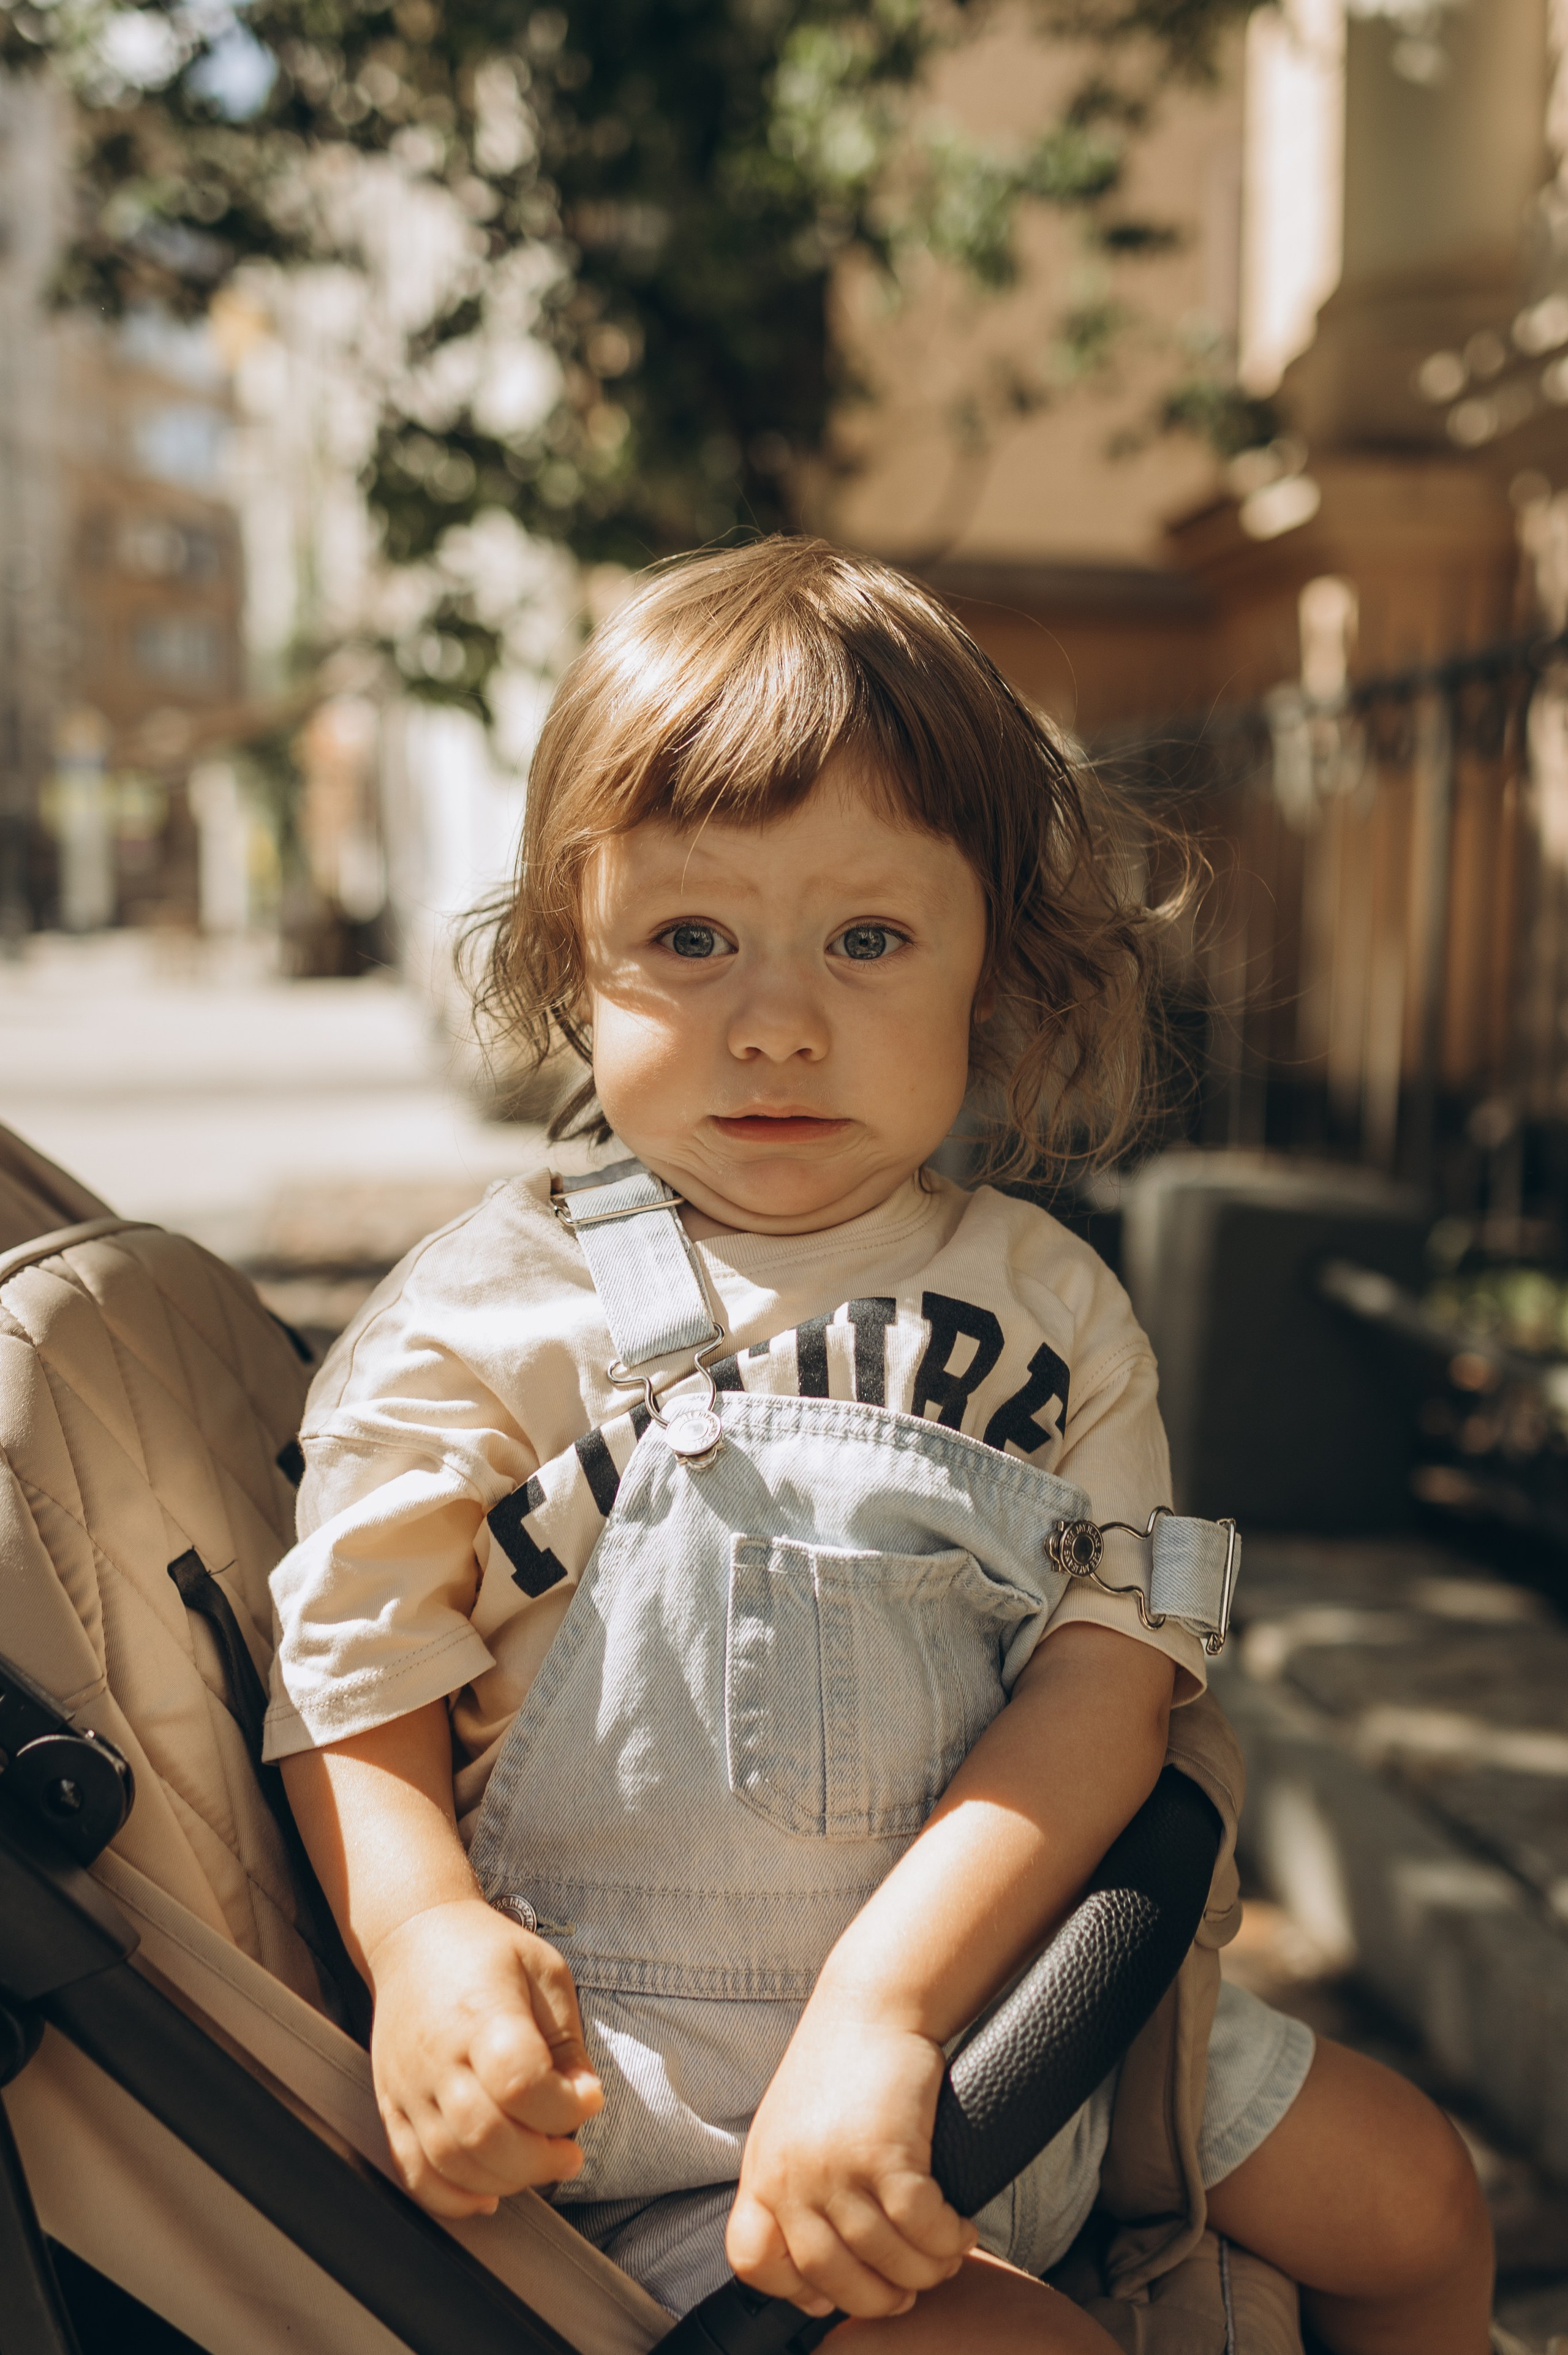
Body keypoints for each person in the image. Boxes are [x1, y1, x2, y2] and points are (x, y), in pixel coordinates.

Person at [266, 539, 1493, 2353]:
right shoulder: (482, 1319)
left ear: (994, 965)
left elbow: (1108, 1686)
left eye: (867, 940)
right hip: (679, 2126)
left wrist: (892, 2009)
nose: (778, 1023)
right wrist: (425, 1934)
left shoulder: (1053, 1309)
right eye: (693, 941)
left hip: (1043, 2028)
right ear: (571, 957)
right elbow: (351, 1659)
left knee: (1420, 2204)